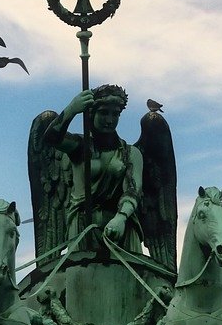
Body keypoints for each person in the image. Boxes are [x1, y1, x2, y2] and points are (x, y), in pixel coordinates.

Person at [42, 83, 146, 255]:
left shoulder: (130, 153)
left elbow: (133, 190)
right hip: (84, 226)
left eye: (115, 114)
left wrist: (121, 218)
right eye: (104, 112)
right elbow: (51, 138)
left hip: (122, 228)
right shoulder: (79, 147)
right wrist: (72, 109)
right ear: (91, 113)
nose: (110, 120)